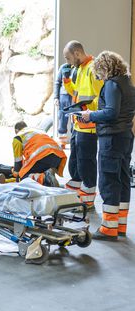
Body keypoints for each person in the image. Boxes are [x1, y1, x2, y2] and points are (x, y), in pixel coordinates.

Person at [80, 51, 135, 241]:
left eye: (99, 72)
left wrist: (91, 116)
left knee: (109, 180)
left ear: (105, 68)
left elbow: (111, 112)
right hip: (126, 137)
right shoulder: (127, 83)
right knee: (123, 179)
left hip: (111, 139)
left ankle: (108, 228)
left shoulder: (112, 84)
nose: (99, 77)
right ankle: (120, 225)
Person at [62, 40, 104, 207]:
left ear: (77, 54)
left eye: (68, 58)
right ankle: (77, 192)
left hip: (89, 125)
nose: (67, 62)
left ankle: (88, 199)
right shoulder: (78, 69)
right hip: (78, 123)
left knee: (86, 162)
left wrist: (88, 108)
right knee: (76, 161)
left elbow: (102, 97)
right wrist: (66, 80)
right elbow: (76, 92)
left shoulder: (93, 69)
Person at [12, 121, 67, 187]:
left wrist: (16, 173)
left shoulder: (18, 137)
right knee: (40, 169)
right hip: (58, 156)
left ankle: (44, 178)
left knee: (22, 177)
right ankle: (49, 177)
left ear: (16, 130)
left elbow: (18, 161)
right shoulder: (37, 131)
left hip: (42, 157)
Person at [54, 63, 77, 148]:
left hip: (74, 96)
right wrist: (56, 97)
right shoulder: (63, 67)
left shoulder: (78, 67)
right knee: (62, 119)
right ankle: (62, 143)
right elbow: (57, 82)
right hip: (63, 95)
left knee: (74, 118)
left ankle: (74, 142)